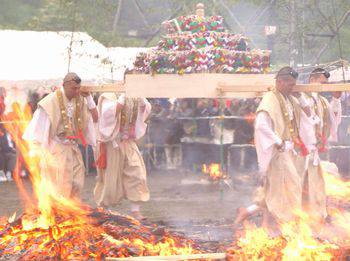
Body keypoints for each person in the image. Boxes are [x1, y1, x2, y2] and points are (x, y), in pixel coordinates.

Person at [234, 67, 305, 228]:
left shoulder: (288, 99)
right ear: (280, 82)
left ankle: (251, 214)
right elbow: (261, 126)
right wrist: (278, 141)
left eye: (294, 85)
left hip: (286, 149)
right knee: (290, 187)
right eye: (290, 85)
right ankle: (288, 224)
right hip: (276, 152)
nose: (292, 88)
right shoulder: (270, 99)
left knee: (274, 189)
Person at [23, 72, 98, 198]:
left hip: (73, 149)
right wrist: (37, 149)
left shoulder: (81, 100)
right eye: (74, 88)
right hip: (56, 149)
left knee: (77, 184)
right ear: (64, 85)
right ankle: (57, 215)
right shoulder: (50, 101)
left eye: (78, 88)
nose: (77, 91)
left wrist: (89, 98)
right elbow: (38, 126)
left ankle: (72, 214)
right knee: (58, 187)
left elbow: (95, 118)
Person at [94, 93, 151, 220]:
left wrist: (140, 99)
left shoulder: (136, 96)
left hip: (129, 143)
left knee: (137, 173)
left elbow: (146, 110)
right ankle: (104, 209)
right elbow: (108, 115)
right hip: (113, 143)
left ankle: (135, 211)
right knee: (110, 178)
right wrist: (123, 99)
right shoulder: (109, 96)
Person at [297, 68, 342, 222]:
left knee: (314, 184)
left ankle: (313, 215)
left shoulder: (322, 101)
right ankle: (293, 215)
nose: (324, 86)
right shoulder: (301, 98)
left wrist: (336, 100)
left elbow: (333, 119)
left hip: (314, 151)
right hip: (300, 150)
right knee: (296, 183)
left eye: (326, 84)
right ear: (312, 79)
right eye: (322, 83)